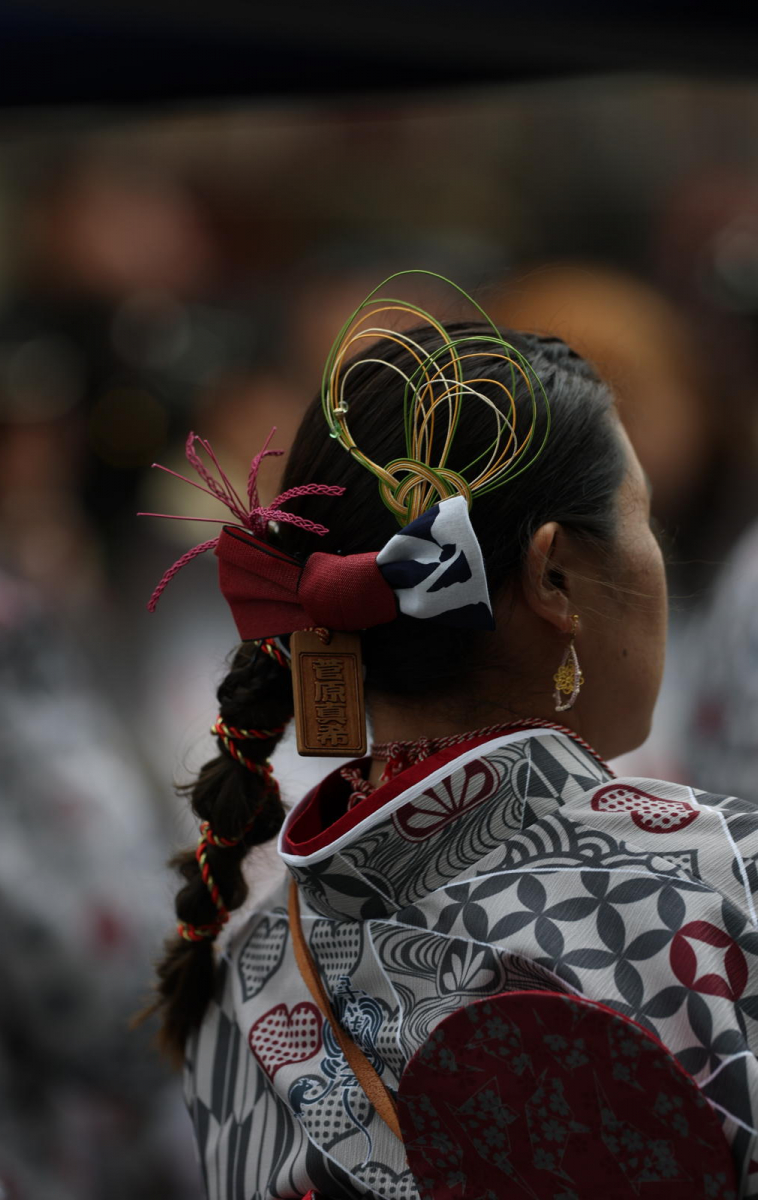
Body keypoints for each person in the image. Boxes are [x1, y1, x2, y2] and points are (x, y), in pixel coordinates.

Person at [144, 274, 758, 1198]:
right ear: (553, 576)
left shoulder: (240, 966)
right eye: (641, 518)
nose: (660, 560)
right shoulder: (720, 886)